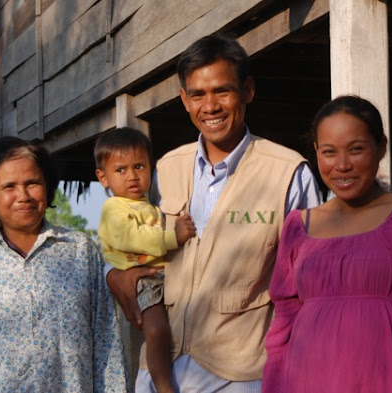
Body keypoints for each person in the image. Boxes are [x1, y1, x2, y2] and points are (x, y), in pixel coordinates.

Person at [107, 35, 320, 392]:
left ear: (248, 91)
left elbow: (312, 280)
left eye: (223, 91)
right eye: (197, 94)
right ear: (183, 100)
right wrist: (113, 273)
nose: (211, 106)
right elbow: (125, 234)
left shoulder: (288, 173)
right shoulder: (165, 169)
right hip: (162, 371)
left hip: (242, 375)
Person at [263, 95, 392, 393]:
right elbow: (283, 328)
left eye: (356, 149)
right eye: (329, 152)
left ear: (380, 147)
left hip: (386, 379)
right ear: (316, 152)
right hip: (308, 380)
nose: (342, 165)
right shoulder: (298, 225)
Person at [0, 136, 128, 393]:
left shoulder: (80, 251)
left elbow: (107, 348)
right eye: (9, 187)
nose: (23, 196)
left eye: (32, 183)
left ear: (47, 186)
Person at [94, 127, 196, 393]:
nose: (132, 176)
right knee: (156, 331)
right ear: (103, 178)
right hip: (141, 279)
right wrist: (173, 237)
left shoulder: (152, 207)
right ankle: (163, 386)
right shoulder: (114, 208)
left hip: (163, 276)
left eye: (139, 166)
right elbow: (132, 238)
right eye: (121, 170)